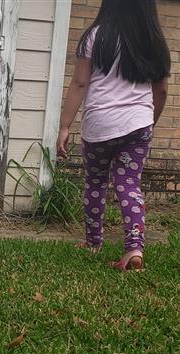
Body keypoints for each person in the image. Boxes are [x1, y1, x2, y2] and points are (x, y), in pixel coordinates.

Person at [56, 0, 170, 271]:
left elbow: (80, 83)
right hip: (138, 124)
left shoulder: (94, 36)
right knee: (129, 184)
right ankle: (134, 248)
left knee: (95, 182)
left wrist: (64, 126)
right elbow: (162, 90)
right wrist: (149, 122)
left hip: (99, 126)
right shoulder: (152, 40)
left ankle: (93, 241)